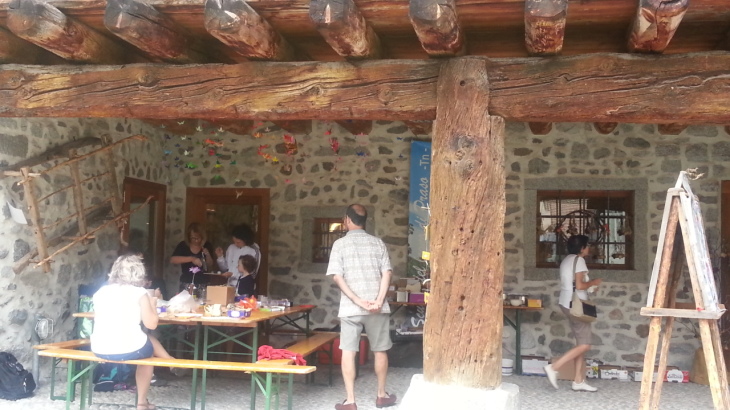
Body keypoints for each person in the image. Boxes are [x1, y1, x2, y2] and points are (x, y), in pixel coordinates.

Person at [326, 204, 397, 410]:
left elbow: (337, 276)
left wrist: (357, 300)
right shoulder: (378, 243)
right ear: (365, 221)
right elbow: (387, 273)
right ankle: (381, 395)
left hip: (351, 308)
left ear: (347, 220)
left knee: (348, 351)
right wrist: (379, 300)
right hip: (377, 307)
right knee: (380, 350)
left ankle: (350, 400)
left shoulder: (339, 244)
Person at [90, 254, 174, 410]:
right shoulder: (139, 292)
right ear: (138, 272)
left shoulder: (100, 292)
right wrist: (153, 303)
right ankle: (141, 402)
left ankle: (171, 362)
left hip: (99, 348)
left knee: (145, 339)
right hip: (128, 348)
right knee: (147, 353)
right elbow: (151, 324)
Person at [544, 234, 603, 392]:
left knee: (580, 343)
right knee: (585, 344)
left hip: (566, 302)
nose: (588, 248)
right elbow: (580, 285)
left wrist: (589, 286)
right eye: (587, 245)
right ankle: (554, 367)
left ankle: (578, 380)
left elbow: (573, 284)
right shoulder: (579, 261)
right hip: (577, 305)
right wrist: (594, 282)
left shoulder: (566, 260)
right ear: (582, 248)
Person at [215, 224, 261, 294]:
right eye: (234, 242)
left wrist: (233, 274)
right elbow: (225, 268)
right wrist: (220, 257)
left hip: (244, 286)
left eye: (238, 242)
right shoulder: (231, 248)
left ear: (245, 240)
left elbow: (252, 273)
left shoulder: (253, 250)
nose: (236, 244)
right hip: (230, 286)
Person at [170, 223, 214, 292]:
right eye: (193, 238)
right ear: (189, 237)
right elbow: (173, 260)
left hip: (203, 282)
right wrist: (192, 259)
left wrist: (207, 254)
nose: (196, 240)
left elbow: (210, 264)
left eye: (198, 238)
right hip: (186, 281)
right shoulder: (183, 245)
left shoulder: (207, 245)